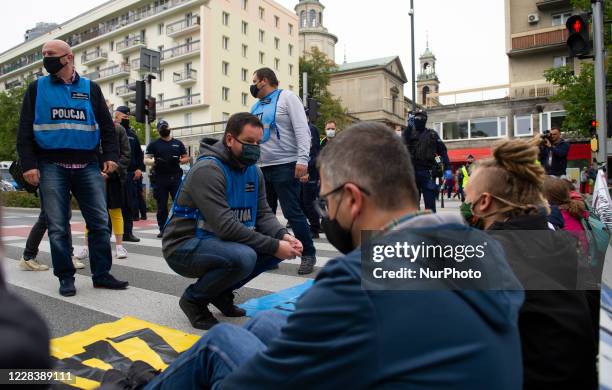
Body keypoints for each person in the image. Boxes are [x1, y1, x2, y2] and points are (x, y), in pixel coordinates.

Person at [144, 122, 524, 390]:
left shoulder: (356, 279)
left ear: (353, 199)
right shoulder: (479, 249)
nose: (326, 213)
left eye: (326, 201)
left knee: (221, 342)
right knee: (269, 323)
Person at [463, 138, 598, 389]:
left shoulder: (483, 259)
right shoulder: (565, 247)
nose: (465, 205)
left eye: (466, 196)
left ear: (483, 203)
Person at [162, 113, 303, 330]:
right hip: (184, 245)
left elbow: (263, 215)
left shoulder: (254, 172)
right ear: (229, 139)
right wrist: (275, 245)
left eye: (258, 142)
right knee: (245, 256)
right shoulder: (209, 170)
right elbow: (226, 227)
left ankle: (220, 293)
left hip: (218, 242)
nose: (255, 148)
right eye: (248, 142)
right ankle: (194, 300)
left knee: (269, 253)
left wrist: (283, 236)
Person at [16, 39, 128, 297]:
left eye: (51, 54)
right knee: (57, 225)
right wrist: (29, 165)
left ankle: (101, 275)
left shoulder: (91, 88)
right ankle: (65, 277)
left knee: (100, 222)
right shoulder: (37, 89)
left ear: (68, 57)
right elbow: (24, 131)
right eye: (44, 54)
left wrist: (110, 155)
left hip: (88, 164)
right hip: (51, 165)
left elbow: (107, 127)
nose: (46, 58)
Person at [250, 68, 317, 274]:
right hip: (261, 167)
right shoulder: (255, 106)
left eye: (254, 81)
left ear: (265, 80)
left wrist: (303, 159)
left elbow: (302, 129)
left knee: (292, 212)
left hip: (286, 164)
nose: (252, 85)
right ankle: (272, 254)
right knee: (265, 215)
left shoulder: (287, 97)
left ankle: (308, 254)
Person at [76, 114, 131, 260]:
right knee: (91, 213)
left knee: (115, 211)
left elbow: (126, 154)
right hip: (93, 175)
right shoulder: (90, 128)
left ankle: (119, 246)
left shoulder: (118, 129)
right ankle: (86, 247)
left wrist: (112, 172)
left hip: (114, 178)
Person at [145, 120, 189, 237]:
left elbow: (186, 158)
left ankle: (179, 228)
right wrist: (155, 161)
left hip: (175, 178)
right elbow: (146, 160)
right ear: (159, 130)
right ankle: (163, 229)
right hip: (160, 178)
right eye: (162, 128)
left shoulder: (178, 143)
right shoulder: (154, 144)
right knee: (162, 206)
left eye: (166, 127)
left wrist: (179, 160)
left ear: (169, 129)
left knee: (179, 204)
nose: (164, 129)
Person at [403, 110, 452, 212]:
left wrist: (448, 168)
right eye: (416, 118)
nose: (419, 120)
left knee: (430, 206)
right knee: (412, 206)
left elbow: (443, 151)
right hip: (411, 173)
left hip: (427, 173)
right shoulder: (409, 133)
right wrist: (408, 129)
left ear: (425, 120)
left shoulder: (432, 135)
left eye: (421, 118)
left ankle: (431, 226)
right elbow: (401, 145)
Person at [116, 106, 143, 242]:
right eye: (124, 117)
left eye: (128, 117)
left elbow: (139, 154)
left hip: (130, 174)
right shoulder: (112, 131)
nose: (126, 119)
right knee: (114, 204)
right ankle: (109, 232)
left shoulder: (132, 135)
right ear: (117, 116)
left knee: (129, 204)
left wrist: (139, 168)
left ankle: (128, 232)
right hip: (115, 173)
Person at [299, 111, 321, 238]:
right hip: (303, 170)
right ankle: (312, 225)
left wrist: (307, 170)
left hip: (310, 171)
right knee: (302, 201)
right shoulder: (302, 128)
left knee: (309, 201)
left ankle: (315, 228)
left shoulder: (310, 129)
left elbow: (313, 152)